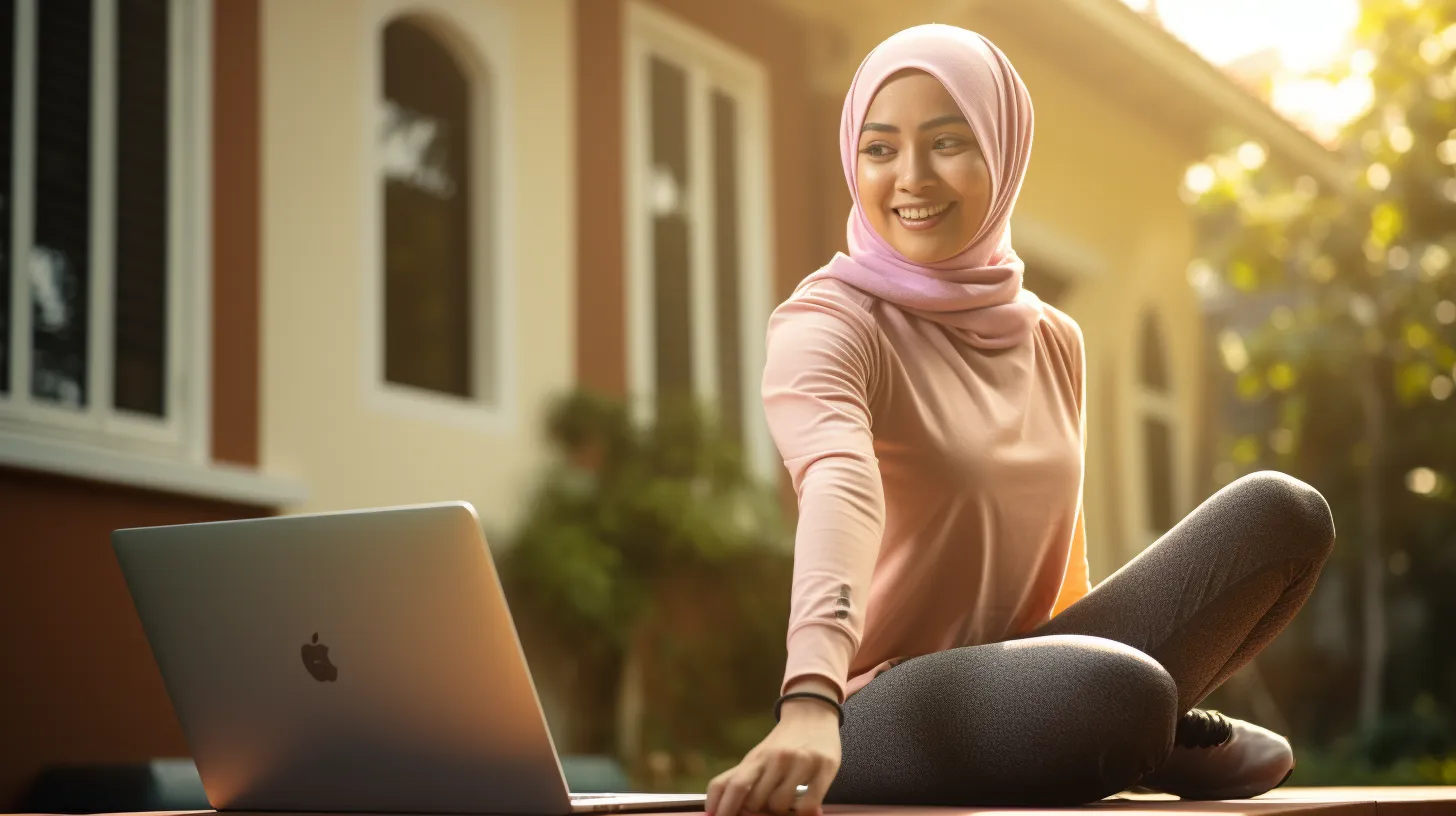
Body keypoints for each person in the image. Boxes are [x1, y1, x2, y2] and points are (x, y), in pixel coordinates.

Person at [703, 23, 1335, 815]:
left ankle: (1127, 721)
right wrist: (809, 698)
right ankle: (1140, 724)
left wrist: (1069, 670)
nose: (911, 177)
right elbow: (841, 486)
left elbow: (1061, 566)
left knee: (1286, 515)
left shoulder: (1050, 338)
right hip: (877, 706)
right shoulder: (830, 323)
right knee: (1122, 692)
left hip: (1030, 671)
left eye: (947, 142)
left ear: (1003, 149)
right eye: (881, 148)